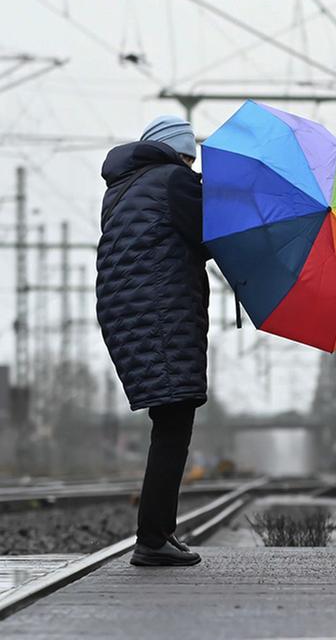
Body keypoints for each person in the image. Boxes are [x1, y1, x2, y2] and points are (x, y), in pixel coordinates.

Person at [96, 115, 210, 567]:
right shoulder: (172, 181)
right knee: (174, 421)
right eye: (188, 158)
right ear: (176, 153)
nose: (190, 166)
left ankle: (160, 532)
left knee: (169, 417)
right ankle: (153, 539)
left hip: (131, 310)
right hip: (160, 311)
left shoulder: (123, 188)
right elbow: (209, 234)